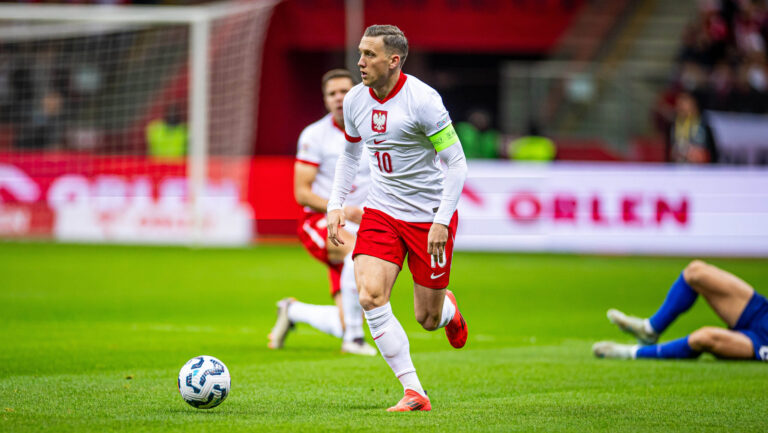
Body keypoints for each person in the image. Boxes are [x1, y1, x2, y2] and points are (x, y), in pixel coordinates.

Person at [326, 25, 469, 412]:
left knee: (427, 317)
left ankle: (447, 311)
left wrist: (442, 220)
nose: (360, 62)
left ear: (394, 60)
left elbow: (455, 164)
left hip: (428, 218)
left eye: (369, 55)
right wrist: (335, 204)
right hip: (382, 210)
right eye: (360, 53)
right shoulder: (356, 100)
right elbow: (351, 154)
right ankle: (413, 391)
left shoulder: (423, 100)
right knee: (370, 295)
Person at [267, 69, 377, 357]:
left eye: (344, 91)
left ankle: (293, 311)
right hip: (320, 222)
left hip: (358, 225)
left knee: (347, 317)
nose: (339, 98)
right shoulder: (315, 135)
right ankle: (354, 340)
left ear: (358, 94)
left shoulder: (374, 130)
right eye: (332, 94)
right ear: (325, 100)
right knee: (358, 252)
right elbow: (302, 193)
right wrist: (340, 209)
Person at [593, 260, 768, 362]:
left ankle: (630, 352)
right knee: (696, 271)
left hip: (763, 340)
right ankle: (650, 330)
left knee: (704, 337)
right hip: (763, 314)